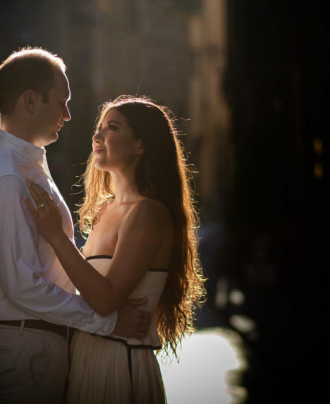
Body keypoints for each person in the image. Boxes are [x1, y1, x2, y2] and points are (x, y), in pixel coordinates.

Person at [0, 48, 151, 404]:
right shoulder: (6, 175)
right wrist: (107, 323)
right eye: (61, 102)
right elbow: (22, 286)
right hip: (25, 350)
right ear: (30, 101)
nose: (67, 114)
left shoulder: (22, 164)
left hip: (35, 346)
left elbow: (47, 262)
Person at [24, 95, 206, 403]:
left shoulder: (148, 213)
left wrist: (56, 236)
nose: (97, 136)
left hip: (119, 365)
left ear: (140, 145)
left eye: (113, 127)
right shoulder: (104, 212)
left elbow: (105, 299)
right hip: (85, 361)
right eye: (99, 127)